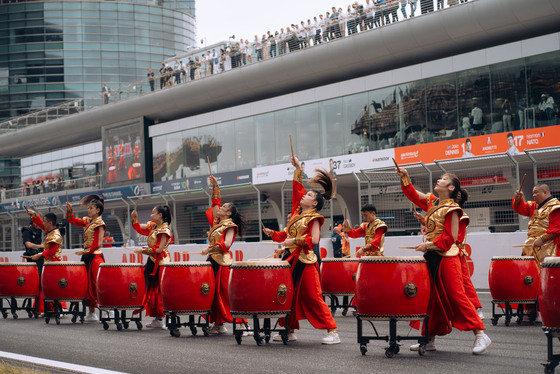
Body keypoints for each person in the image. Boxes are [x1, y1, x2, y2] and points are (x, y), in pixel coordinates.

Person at [396, 167, 490, 354]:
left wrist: (428, 246)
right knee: (431, 299)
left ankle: (481, 334)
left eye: (443, 179)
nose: (438, 180)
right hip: (433, 256)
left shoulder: (453, 209)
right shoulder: (433, 202)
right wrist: (405, 177)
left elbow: (450, 237)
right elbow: (414, 196)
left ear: (451, 187)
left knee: (457, 295)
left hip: (448, 257)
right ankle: (429, 338)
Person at [263, 156, 340, 344]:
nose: (303, 196)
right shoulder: (297, 216)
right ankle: (288, 331)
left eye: (308, 196)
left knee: (313, 296)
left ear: (314, 204)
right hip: (292, 260)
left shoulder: (314, 218)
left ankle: (333, 332)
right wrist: (297, 169)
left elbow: (313, 240)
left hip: (306, 261)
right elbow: (285, 236)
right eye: (305, 195)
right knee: (287, 294)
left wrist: (294, 241)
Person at [201, 175, 247, 335]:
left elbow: (226, 245)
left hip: (221, 263)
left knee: (226, 294)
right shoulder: (217, 223)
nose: (219, 208)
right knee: (212, 293)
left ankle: (243, 323)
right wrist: (215, 187)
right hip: (212, 261)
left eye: (223, 207)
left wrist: (209, 249)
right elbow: (215, 204)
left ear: (228, 213)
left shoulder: (230, 226)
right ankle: (218, 323)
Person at [65, 194, 106, 322]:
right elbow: (72, 220)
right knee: (86, 283)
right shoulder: (88, 221)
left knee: (95, 284)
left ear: (97, 210)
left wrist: (85, 251)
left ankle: (106, 310)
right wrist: (69, 211)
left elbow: (98, 243)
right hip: (87, 255)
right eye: (88, 208)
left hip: (95, 256)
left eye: (91, 208)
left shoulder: (100, 223)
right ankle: (91, 312)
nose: (88, 210)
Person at [131, 205, 172, 329]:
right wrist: (134, 219)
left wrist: (142, 251)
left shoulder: (164, 230)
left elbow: (159, 250)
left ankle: (164, 318)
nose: (151, 215)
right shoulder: (153, 226)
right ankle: (157, 318)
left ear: (160, 215)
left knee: (160, 291)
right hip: (152, 262)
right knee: (151, 291)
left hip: (161, 264)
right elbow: (138, 228)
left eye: (153, 213)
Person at [25, 210, 64, 316]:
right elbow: (41, 224)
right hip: (49, 263)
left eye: (45, 221)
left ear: (50, 223)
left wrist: (39, 255)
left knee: (51, 287)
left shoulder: (55, 235)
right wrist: (35, 215)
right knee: (46, 287)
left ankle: (55, 309)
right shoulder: (50, 231)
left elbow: (52, 251)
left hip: (54, 264)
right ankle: (49, 309)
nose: (43, 223)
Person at [512, 183, 560, 262]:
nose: (534, 195)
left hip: (548, 248)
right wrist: (517, 199)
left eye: (536, 192)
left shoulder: (555, 207)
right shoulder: (534, 206)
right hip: (530, 247)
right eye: (533, 193)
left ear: (545, 192)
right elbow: (521, 208)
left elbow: (557, 229)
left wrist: (542, 239)